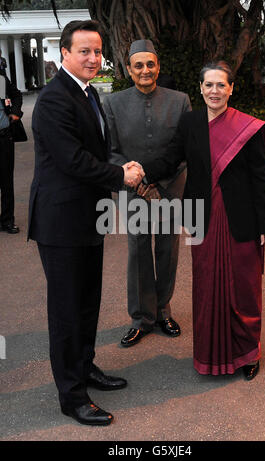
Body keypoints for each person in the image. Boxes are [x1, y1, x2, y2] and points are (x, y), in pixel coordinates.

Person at [28, 20, 144, 426]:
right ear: (63, 53)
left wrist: (118, 164)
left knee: (87, 302)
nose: (93, 58)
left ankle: (86, 367)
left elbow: (96, 150)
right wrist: (119, 177)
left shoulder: (89, 92)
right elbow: (71, 160)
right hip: (60, 223)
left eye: (97, 51)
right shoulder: (54, 99)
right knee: (66, 310)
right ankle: (72, 396)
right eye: (84, 51)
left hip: (88, 219)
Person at [140, 61, 265, 380]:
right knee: (207, 287)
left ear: (231, 88)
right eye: (209, 85)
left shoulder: (249, 127)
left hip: (241, 219)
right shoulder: (190, 123)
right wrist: (140, 171)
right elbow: (171, 159)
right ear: (200, 88)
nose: (215, 91)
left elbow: (260, 178)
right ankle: (211, 355)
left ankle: (248, 353)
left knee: (244, 288)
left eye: (221, 85)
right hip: (202, 216)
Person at [103, 39, 192, 347]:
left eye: (150, 64)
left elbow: (185, 149)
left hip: (170, 188)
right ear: (129, 69)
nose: (145, 70)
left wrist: (158, 179)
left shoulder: (180, 100)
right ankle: (142, 318)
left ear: (158, 67)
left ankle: (164, 311)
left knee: (168, 250)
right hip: (132, 191)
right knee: (138, 252)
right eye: (138, 65)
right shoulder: (112, 104)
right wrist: (133, 179)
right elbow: (109, 150)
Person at [0, 69, 23, 234]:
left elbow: (16, 95)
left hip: (4, 137)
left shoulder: (0, 79)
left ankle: (7, 221)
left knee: (6, 180)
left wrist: (15, 113)